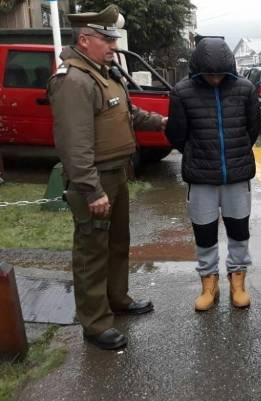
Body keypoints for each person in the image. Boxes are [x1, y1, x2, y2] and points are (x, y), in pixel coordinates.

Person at [48, 5, 166, 350]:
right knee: (92, 252)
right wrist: (90, 189)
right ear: (85, 40)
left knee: (117, 244)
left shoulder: (103, 74)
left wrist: (160, 122)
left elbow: (127, 114)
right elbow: (74, 144)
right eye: (106, 38)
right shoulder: (73, 81)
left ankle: (117, 299)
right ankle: (95, 323)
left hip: (116, 174)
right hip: (95, 180)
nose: (113, 45)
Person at [166, 37, 259, 311]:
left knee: (239, 231)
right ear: (198, 70)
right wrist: (196, 154)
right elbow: (176, 134)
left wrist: (235, 153)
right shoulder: (182, 92)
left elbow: (253, 129)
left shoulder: (245, 89)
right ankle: (209, 282)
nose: (215, 79)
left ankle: (238, 279)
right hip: (201, 177)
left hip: (237, 175)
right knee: (204, 232)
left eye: (221, 74)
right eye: (210, 74)